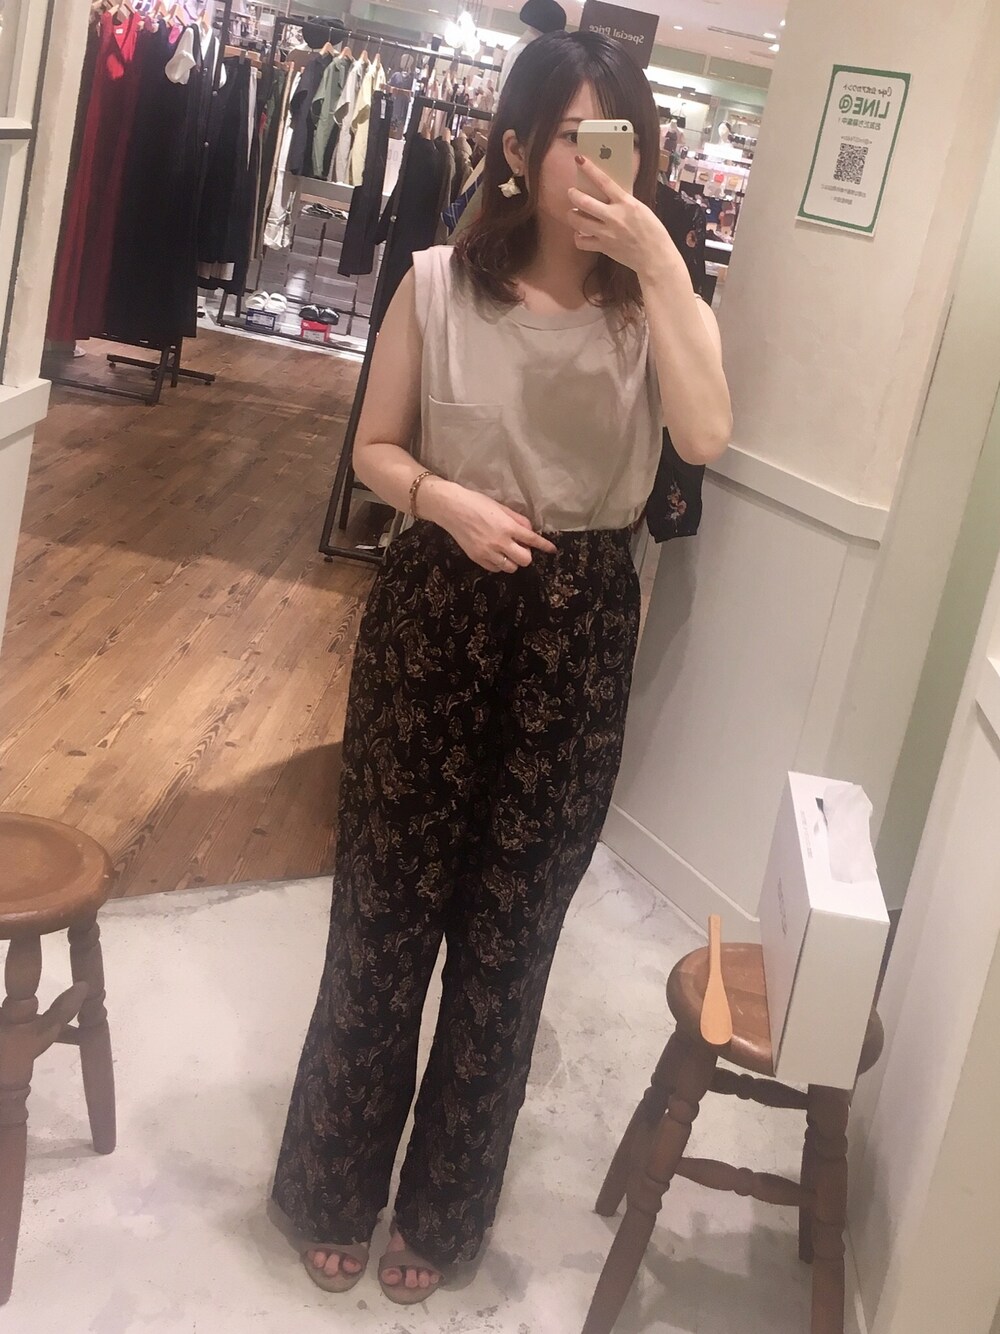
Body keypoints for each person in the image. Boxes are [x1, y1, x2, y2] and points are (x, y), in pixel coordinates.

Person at [269, 29, 731, 1307]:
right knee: (382, 918)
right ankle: (332, 1182)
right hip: (438, 610)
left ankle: (443, 1203)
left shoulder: (656, 310)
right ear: (519, 150)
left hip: (577, 631)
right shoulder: (434, 285)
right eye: (575, 140)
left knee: (508, 943)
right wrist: (444, 501)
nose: (598, 167)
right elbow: (373, 448)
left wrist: (663, 261)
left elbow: (705, 433)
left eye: (621, 142)